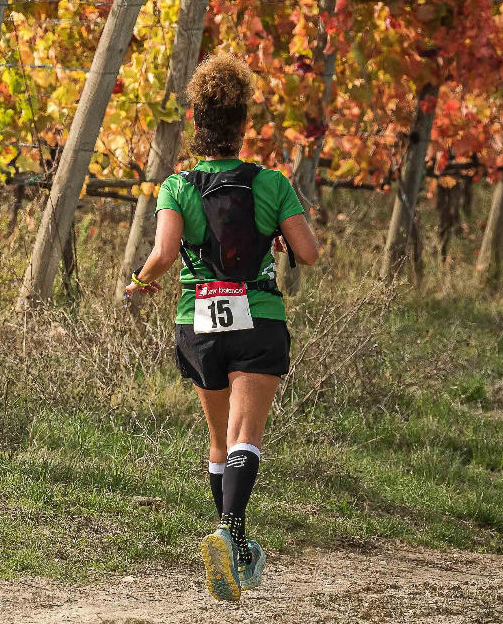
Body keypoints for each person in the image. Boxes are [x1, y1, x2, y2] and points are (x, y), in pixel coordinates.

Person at [123, 54, 320, 603]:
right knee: (245, 437)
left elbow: (164, 254)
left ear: (196, 121)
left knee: (219, 440)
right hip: (259, 320)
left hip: (199, 323)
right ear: (243, 124)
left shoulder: (177, 186)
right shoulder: (272, 183)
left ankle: (233, 548)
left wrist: (139, 283)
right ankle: (229, 537)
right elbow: (308, 252)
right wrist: (278, 238)